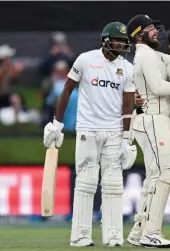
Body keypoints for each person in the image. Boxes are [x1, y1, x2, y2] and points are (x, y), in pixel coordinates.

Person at [42, 21, 137, 247]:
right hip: (87, 129)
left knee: (113, 185)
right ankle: (81, 235)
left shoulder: (127, 68)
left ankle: (113, 235)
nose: (122, 45)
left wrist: (126, 137)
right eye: (118, 40)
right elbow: (66, 90)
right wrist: (57, 124)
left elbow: (128, 104)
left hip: (113, 132)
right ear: (106, 40)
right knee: (86, 183)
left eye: (124, 41)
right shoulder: (85, 60)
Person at [125, 14, 170, 248]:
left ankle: (139, 231)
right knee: (164, 175)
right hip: (152, 118)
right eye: (149, 28)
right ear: (139, 35)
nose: (156, 31)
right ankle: (152, 233)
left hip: (156, 119)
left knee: (153, 177)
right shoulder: (145, 56)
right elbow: (159, 87)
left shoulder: (152, 54)